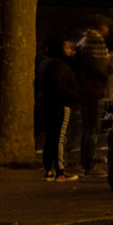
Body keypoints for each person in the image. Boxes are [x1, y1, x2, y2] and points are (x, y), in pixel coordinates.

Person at [72, 18, 113, 174]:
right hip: (92, 89)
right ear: (99, 26)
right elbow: (98, 66)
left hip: (87, 89)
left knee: (88, 128)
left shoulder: (83, 41)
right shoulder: (94, 41)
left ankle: (85, 162)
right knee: (93, 128)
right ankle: (88, 165)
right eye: (106, 26)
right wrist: (108, 69)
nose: (107, 30)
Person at [36, 37, 81, 181]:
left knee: (50, 136)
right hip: (59, 103)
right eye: (67, 48)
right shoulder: (59, 65)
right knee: (59, 137)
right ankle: (60, 171)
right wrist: (74, 94)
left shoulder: (45, 63)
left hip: (46, 103)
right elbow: (59, 85)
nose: (70, 51)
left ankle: (48, 170)